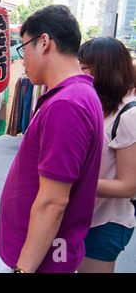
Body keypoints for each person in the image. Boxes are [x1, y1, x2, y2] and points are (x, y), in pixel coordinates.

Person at [0, 5, 104, 273]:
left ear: (44, 42)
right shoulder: (75, 95)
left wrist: (23, 269)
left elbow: (53, 203)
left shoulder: (67, 104)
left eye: (23, 49)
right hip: (40, 253)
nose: (23, 60)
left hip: (36, 259)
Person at [77, 37, 136, 273]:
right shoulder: (101, 105)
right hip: (87, 214)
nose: (80, 72)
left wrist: (73, 182)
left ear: (105, 70)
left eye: (84, 67)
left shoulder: (129, 114)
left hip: (107, 222)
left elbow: (128, 186)